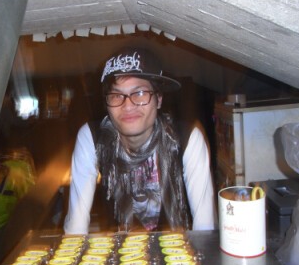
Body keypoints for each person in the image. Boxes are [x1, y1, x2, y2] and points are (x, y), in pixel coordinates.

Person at [64, 48, 216, 234]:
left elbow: (205, 227)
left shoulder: (187, 137)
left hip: (179, 248)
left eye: (140, 93)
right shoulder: (93, 137)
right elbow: (76, 225)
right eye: (116, 95)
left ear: (158, 99)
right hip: (122, 248)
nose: (128, 105)